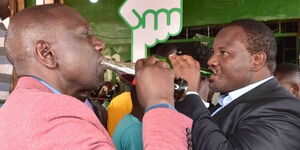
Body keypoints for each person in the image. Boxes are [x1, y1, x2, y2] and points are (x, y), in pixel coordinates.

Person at [0, 4, 192, 149]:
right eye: (85, 34)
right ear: (47, 53)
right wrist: (160, 103)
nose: (100, 44)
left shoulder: (24, 106)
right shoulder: (53, 116)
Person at [171, 19, 300, 149]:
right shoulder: (226, 103)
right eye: (213, 52)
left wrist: (189, 94)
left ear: (257, 60)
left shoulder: (281, 110)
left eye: (223, 53)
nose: (211, 61)